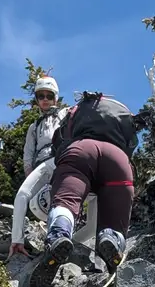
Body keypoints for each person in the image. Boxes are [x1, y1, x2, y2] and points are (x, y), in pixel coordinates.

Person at [44, 92, 137, 272]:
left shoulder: (77, 112)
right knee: (114, 222)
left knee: (66, 202)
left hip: (80, 151)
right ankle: (111, 237)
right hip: (119, 160)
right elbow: (131, 142)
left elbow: (60, 139)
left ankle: (59, 233)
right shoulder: (122, 116)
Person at [9, 77, 70, 259]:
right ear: (36, 99)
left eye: (49, 96)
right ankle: (17, 241)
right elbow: (28, 154)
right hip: (43, 165)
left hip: (62, 160)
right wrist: (30, 176)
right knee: (23, 196)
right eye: (40, 96)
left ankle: (59, 241)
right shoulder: (34, 127)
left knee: (59, 203)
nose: (45, 99)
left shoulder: (65, 114)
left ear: (55, 98)